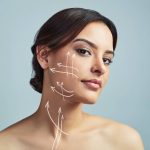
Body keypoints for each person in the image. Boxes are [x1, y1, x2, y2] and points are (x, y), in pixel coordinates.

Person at [0, 8, 144, 150]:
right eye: (84, 51)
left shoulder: (124, 142)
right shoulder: (5, 144)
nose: (101, 68)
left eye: (107, 60)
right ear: (44, 56)